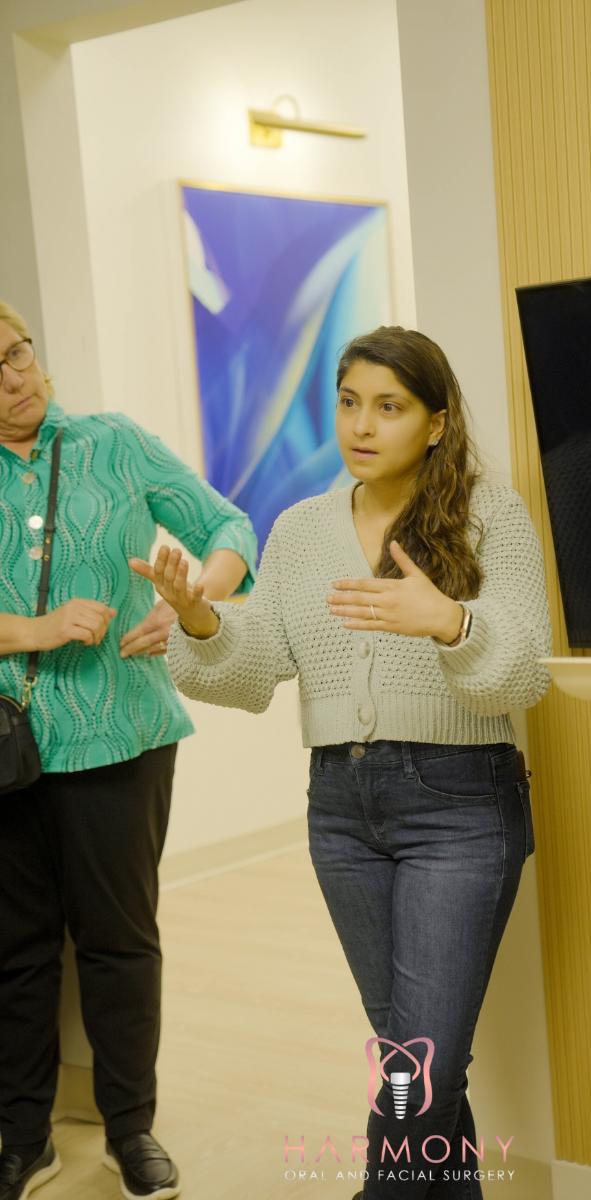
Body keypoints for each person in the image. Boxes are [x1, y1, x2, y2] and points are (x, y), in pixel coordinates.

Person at [158, 326, 552, 1200]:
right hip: (341, 809)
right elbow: (261, 660)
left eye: (389, 406)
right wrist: (201, 620)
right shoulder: (299, 530)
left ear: (438, 423)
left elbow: (526, 666)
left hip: (459, 805)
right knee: (418, 1061)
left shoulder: (491, 515)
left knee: (419, 1070)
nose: (360, 426)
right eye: (347, 402)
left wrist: (450, 622)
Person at [0, 301, 257, 1200]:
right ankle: (21, 1138)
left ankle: (132, 1130)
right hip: (8, 748)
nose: (16, 377)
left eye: (20, 352)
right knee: (16, 951)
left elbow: (231, 530)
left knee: (118, 943)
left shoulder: (113, 441)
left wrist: (190, 604)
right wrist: (33, 629)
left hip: (123, 734)